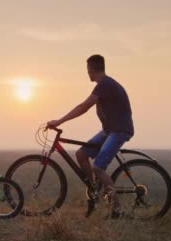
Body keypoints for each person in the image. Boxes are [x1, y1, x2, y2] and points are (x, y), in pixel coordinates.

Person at [47, 54, 134, 218]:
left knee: (98, 167)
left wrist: (59, 121)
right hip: (109, 130)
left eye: (88, 70)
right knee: (81, 154)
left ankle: (118, 210)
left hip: (119, 131)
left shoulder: (105, 84)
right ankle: (95, 191)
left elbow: (83, 107)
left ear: (92, 69)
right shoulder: (104, 85)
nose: (87, 73)